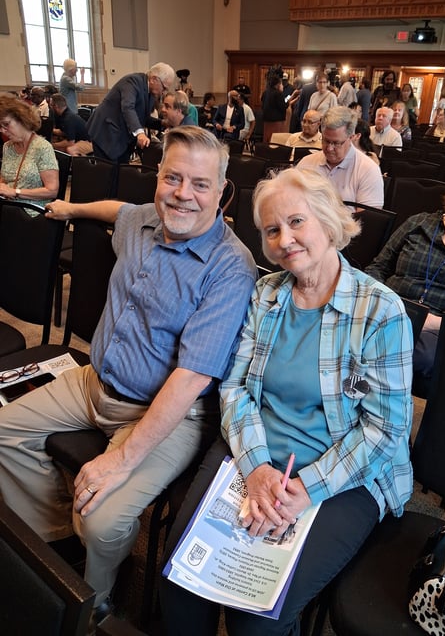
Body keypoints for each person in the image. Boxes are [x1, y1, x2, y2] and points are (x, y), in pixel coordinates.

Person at [0, 126, 257, 629]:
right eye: (173, 177)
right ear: (157, 178)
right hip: (93, 380)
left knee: (102, 520)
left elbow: (190, 379)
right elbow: (117, 210)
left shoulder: (231, 269)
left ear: (223, 192)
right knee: (3, 433)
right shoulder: (143, 219)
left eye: (200, 184)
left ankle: (94, 599)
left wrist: (121, 458)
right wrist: (72, 209)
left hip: (165, 413)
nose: (183, 194)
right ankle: (56, 543)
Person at [160, 166, 414, 636]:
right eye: (272, 230)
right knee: (181, 584)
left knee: (255, 619)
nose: (285, 239)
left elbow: (385, 432)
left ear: (328, 221)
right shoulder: (266, 294)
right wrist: (256, 468)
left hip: (345, 475)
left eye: (297, 222)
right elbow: (234, 388)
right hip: (255, 453)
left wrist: (307, 489)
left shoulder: (381, 311)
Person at [366, 162, 445, 396]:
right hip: (387, 314)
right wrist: (383, 303)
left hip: (441, 332)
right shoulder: (418, 223)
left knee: (400, 355)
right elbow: (377, 268)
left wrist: (444, 323)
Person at [86, 62, 175, 163]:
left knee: (121, 173)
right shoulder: (133, 81)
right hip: (107, 133)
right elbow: (128, 107)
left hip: (121, 137)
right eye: (164, 87)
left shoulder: (151, 93)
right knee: (108, 174)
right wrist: (140, 133)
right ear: (154, 79)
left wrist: (162, 124)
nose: (164, 92)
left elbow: (142, 118)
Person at [297, 106, 384, 208]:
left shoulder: (368, 170)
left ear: (351, 138)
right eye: (326, 140)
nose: (329, 148)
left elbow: (367, 220)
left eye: (336, 143)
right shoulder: (306, 163)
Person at [0, 94, 58, 210]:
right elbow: (4, 178)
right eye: (0, 126)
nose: (2, 130)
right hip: (10, 207)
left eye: (6, 124)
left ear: (22, 119)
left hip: (32, 211)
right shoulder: (7, 146)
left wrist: (15, 192)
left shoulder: (42, 147)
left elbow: (52, 191)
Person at [261, 75, 289, 143]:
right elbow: (283, 106)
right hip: (276, 121)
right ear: (278, 84)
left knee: (267, 139)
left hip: (266, 120)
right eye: (281, 83)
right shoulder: (278, 93)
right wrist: (287, 102)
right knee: (275, 140)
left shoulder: (265, 92)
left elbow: (262, 104)